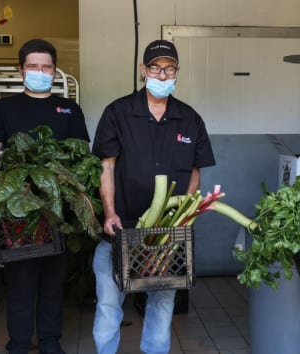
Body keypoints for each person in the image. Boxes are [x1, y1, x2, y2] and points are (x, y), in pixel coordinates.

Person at [91, 39, 216, 354]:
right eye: (156, 68)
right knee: (109, 303)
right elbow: (106, 166)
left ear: (177, 72)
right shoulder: (117, 113)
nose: (162, 75)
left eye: (169, 69)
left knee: (162, 304)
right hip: (121, 230)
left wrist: (183, 217)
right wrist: (109, 212)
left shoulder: (189, 119)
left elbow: (195, 173)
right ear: (143, 70)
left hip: (166, 235)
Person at [0, 38, 90, 354]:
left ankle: (51, 342)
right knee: (20, 284)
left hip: (58, 211)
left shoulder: (69, 109)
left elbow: (82, 160)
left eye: (46, 66)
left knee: (54, 282)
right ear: (21, 70)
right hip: (17, 211)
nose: (40, 71)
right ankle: (20, 344)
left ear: (54, 71)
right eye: (33, 66)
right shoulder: (4, 108)